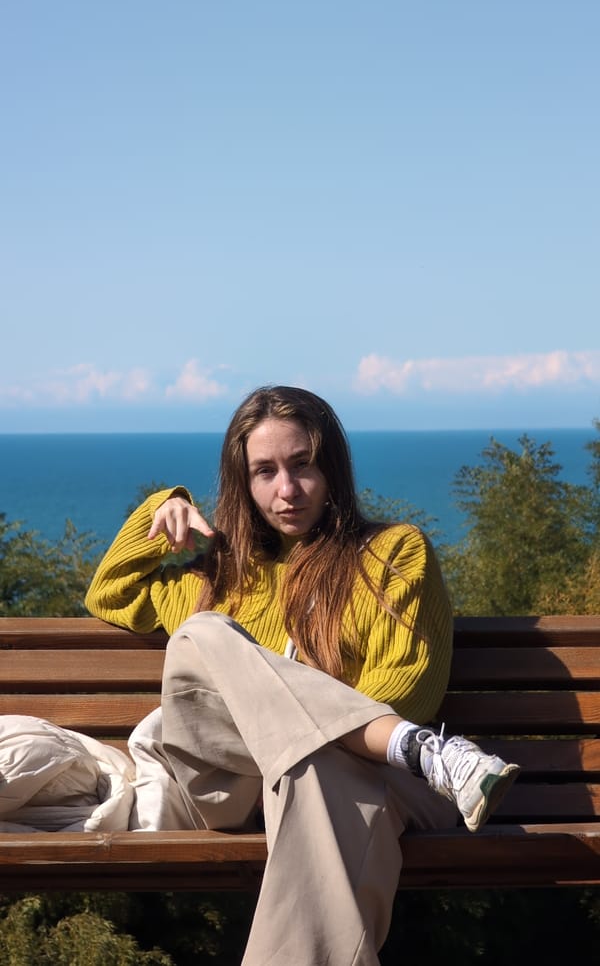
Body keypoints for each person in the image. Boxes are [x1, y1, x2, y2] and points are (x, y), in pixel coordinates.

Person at [86, 385, 518, 966]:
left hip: (356, 780)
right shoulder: (214, 573)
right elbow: (108, 592)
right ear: (243, 482)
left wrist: (303, 743)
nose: (286, 490)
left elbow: (409, 688)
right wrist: (163, 506)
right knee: (200, 633)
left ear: (331, 466)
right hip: (232, 787)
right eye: (264, 471)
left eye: (302, 465)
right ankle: (425, 753)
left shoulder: (393, 553)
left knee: (318, 777)